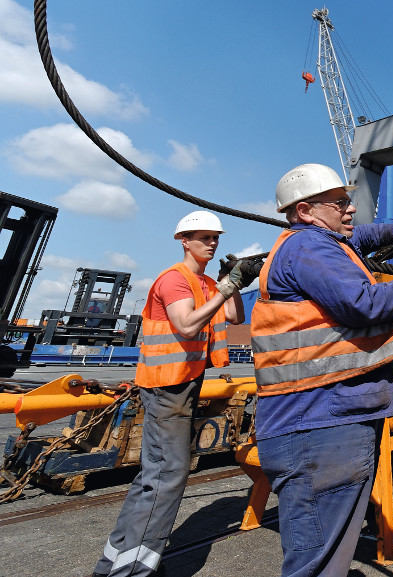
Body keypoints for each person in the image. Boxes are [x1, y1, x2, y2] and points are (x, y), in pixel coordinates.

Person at [250, 163, 393, 577]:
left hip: (324, 419)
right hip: (316, 425)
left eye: (350, 201)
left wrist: (391, 232)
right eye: (340, 203)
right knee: (318, 561)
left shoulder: (320, 242)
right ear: (304, 211)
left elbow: (353, 240)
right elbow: (362, 303)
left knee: (329, 554)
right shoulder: (308, 249)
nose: (350, 209)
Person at [94, 210, 249, 577]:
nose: (212, 242)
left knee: (155, 474)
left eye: (215, 237)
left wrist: (233, 282)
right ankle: (134, 571)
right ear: (184, 240)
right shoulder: (175, 281)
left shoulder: (206, 283)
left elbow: (235, 316)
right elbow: (185, 323)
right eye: (203, 236)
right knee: (169, 475)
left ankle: (114, 562)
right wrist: (225, 287)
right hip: (167, 386)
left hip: (183, 383)